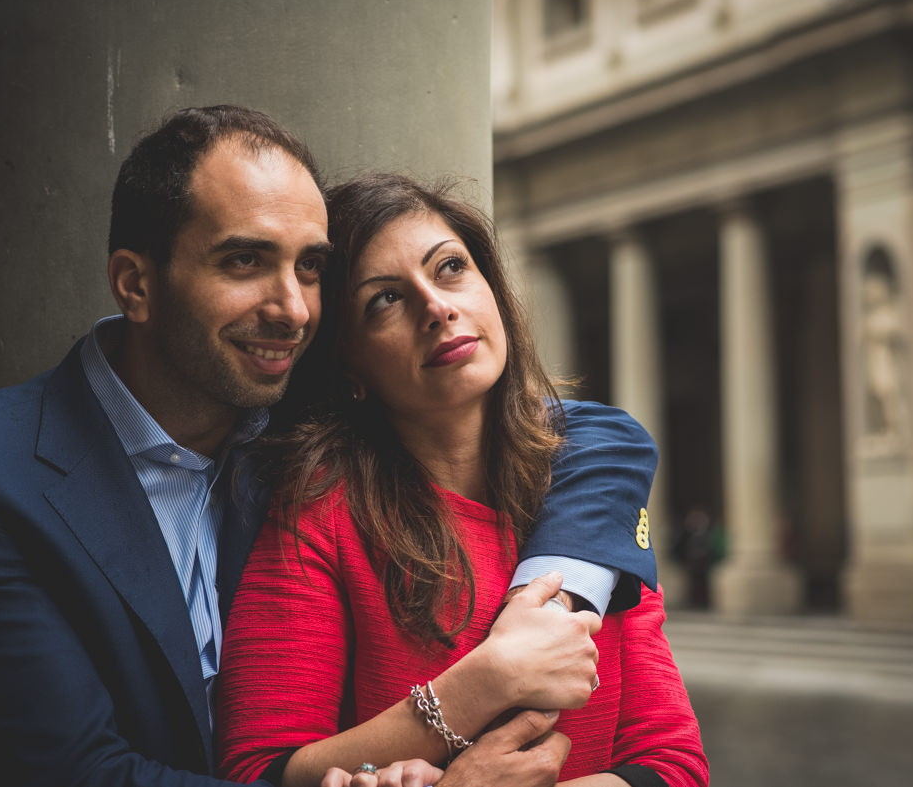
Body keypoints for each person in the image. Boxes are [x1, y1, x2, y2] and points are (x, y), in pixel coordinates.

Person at [0, 106, 660, 787]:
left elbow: (577, 430)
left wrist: (537, 600)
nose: (292, 309)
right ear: (135, 284)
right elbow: (79, 776)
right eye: (244, 261)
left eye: (312, 267)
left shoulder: (292, 425)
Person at [216, 174, 709, 787]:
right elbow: (257, 770)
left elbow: (674, 766)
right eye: (384, 300)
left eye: (450, 268)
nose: (437, 307)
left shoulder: (589, 495)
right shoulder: (319, 516)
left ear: (492, 290)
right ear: (350, 363)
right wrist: (483, 683)